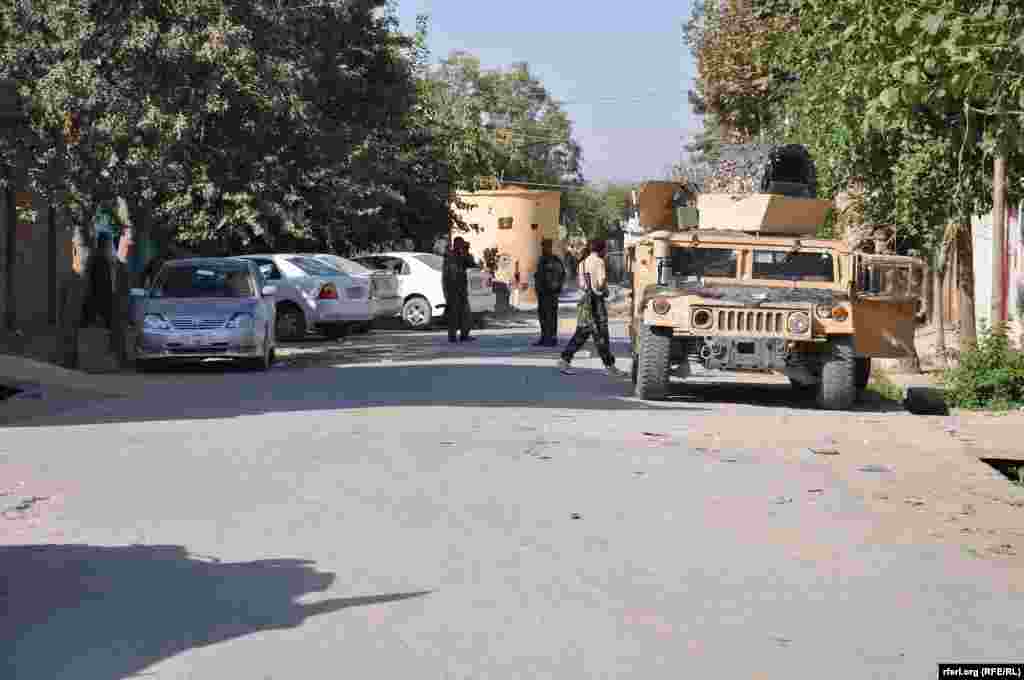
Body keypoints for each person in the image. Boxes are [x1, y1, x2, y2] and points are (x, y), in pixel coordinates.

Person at [557, 239, 625, 377]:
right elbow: (601, 282)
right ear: (601, 250)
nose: (606, 252)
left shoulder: (582, 263)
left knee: (582, 332)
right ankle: (610, 367)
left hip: (585, 302)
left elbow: (581, 284)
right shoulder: (599, 262)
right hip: (596, 302)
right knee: (601, 335)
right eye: (605, 249)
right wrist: (604, 290)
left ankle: (565, 360)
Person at [533, 239, 565, 346]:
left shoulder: (554, 260)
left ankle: (552, 338)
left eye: (546, 246)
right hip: (542, 293)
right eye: (543, 246)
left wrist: (557, 288)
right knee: (542, 316)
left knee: (551, 316)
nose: (544, 248)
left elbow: (561, 274)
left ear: (550, 247)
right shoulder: (542, 259)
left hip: (551, 293)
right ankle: (544, 337)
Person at [443, 237, 475, 343]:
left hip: (461, 288)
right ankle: (452, 336)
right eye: (460, 244)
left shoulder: (462, 256)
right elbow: (446, 274)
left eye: (462, 244)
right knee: (454, 314)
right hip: (452, 289)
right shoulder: (450, 256)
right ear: (455, 244)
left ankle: (464, 335)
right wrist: (446, 292)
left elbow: (471, 264)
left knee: (465, 314)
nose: (461, 246)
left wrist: (466, 251)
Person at [81, 233, 114, 329]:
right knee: (100, 304)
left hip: (97, 289)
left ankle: (88, 320)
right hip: (99, 289)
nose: (109, 245)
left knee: (95, 304)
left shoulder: (98, 256)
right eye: (108, 243)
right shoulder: (100, 257)